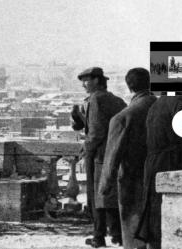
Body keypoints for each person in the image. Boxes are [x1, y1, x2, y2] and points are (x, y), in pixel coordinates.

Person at [99, 68, 156, 249]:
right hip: (159, 177)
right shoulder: (163, 108)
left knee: (133, 230)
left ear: (129, 86)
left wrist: (105, 185)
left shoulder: (123, 117)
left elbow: (112, 156)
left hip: (132, 181)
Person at [135, 95, 182, 249]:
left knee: (154, 210)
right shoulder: (177, 102)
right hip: (170, 162)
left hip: (157, 163)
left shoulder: (159, 104)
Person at [73, 67, 126, 247]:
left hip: (98, 155)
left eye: (86, 80)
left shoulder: (96, 99)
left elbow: (95, 132)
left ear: (96, 80)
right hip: (115, 153)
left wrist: (86, 148)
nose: (83, 85)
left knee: (96, 197)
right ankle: (118, 235)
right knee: (110, 195)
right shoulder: (116, 100)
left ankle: (98, 236)